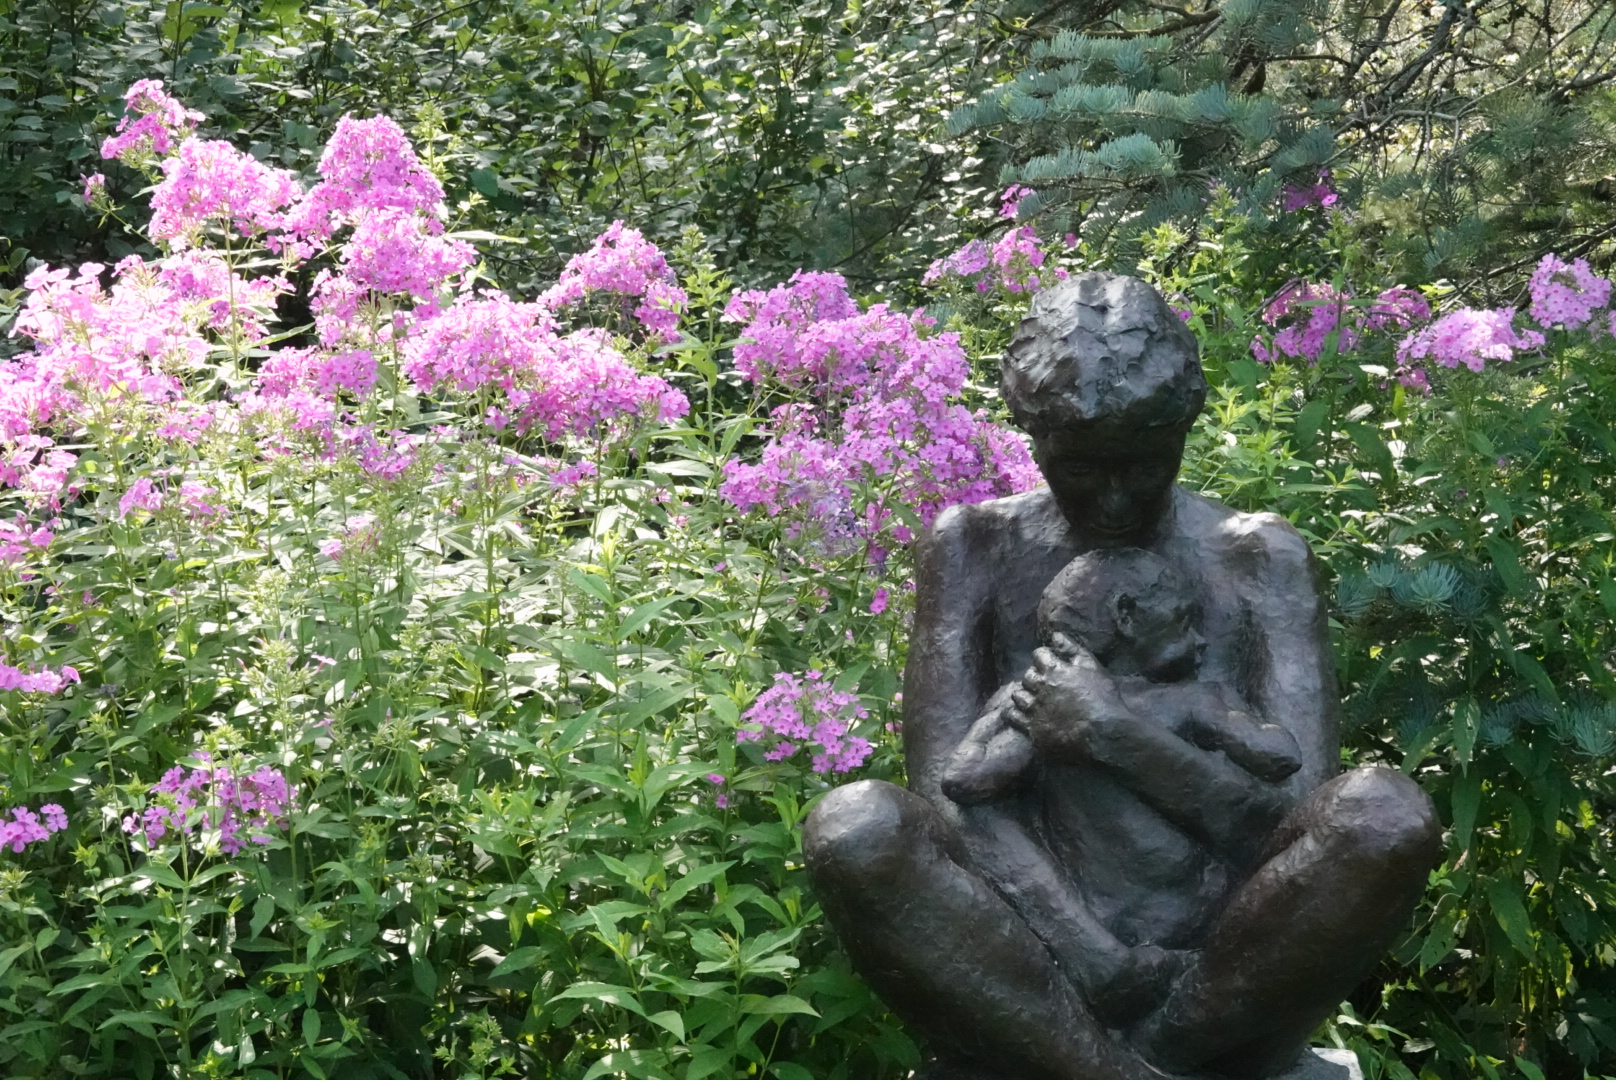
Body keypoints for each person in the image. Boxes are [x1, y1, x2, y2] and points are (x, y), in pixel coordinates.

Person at [802, 272, 1441, 1080]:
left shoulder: (1256, 556)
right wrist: (1087, 948)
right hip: (1035, 963)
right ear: (1034, 442)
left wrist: (1114, 736)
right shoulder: (972, 547)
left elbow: (1281, 829)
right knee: (854, 827)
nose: (1112, 498)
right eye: (1080, 469)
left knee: (1382, 816)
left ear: (1183, 430)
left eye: (1144, 465)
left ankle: (1154, 1059)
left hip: (1222, 971)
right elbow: (953, 807)